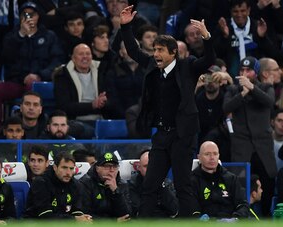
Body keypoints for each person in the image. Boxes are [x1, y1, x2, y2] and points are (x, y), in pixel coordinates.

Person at [120, 5, 215, 217]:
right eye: (154, 50)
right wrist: (125, 27)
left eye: (160, 50)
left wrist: (207, 37)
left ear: (173, 53)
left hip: (183, 136)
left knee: (183, 186)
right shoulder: (153, 66)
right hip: (161, 135)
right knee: (150, 185)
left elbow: (209, 60)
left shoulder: (187, 66)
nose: (156, 54)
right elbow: (134, 51)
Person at [0, 1, 64, 131]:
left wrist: (40, 75)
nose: (28, 17)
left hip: (40, 82)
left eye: (32, 14)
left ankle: (34, 128)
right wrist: (20, 36)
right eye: (25, 14)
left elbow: (57, 61)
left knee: (32, 87)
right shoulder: (11, 37)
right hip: (17, 82)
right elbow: (6, 59)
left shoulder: (49, 36)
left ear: (38, 16)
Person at [223, 56, 276, 216]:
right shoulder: (233, 89)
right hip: (242, 147)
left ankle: (266, 219)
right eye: (242, 70)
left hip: (262, 148)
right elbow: (226, 107)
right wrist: (243, 94)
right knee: (240, 188)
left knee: (267, 186)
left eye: (249, 70)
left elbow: (269, 102)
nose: (245, 73)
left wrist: (252, 88)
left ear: (256, 72)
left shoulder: (266, 87)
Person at [54, 43, 122, 139]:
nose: (85, 57)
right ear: (73, 58)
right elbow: (64, 106)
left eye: (88, 54)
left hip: (102, 119)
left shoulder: (103, 72)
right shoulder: (62, 76)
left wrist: (104, 102)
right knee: (85, 131)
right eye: (81, 54)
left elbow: (113, 100)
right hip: (76, 121)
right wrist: (92, 105)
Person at [215, 0, 276, 77]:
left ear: (248, 10)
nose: (239, 14)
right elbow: (216, 54)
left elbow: (272, 53)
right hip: (230, 78)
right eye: (235, 11)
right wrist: (225, 37)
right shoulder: (224, 27)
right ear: (230, 11)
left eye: (242, 11)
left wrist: (262, 38)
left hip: (255, 79)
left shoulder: (258, 26)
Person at [25, 151, 92, 221]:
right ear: (55, 167)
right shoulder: (41, 183)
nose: (68, 173)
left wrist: (83, 219)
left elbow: (76, 211)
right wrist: (75, 220)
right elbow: (45, 216)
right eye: (64, 168)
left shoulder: (76, 185)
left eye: (71, 168)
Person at [190, 141, 249, 218]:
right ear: (199, 157)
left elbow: (243, 205)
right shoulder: (192, 181)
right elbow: (190, 208)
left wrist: (236, 218)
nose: (212, 158)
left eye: (215, 154)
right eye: (207, 154)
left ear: (219, 156)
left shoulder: (231, 179)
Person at [79, 152, 131, 220]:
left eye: (115, 166)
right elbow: (85, 215)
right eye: (107, 166)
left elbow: (126, 214)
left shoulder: (122, 184)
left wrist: (116, 191)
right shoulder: (85, 183)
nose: (112, 170)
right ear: (97, 168)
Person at [128, 149, 178, 218]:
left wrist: (161, 185)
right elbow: (138, 212)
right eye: (146, 166)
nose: (150, 169)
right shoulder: (133, 184)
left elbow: (174, 210)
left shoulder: (166, 183)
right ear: (139, 167)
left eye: (153, 165)